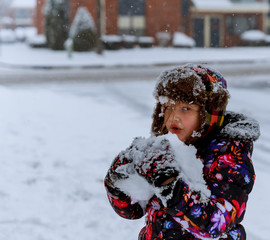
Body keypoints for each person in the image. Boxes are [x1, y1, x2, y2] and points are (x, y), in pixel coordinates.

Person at [104, 63, 260, 240]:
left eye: (186, 108)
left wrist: (169, 185)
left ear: (208, 114)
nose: (173, 117)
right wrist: (118, 183)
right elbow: (133, 210)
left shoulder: (229, 155)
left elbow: (216, 223)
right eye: (168, 106)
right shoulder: (162, 150)